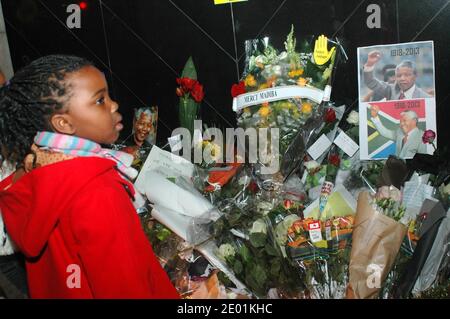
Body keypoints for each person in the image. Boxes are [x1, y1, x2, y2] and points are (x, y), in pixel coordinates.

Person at [0, 55, 179, 298]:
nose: (114, 105)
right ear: (64, 123)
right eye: (99, 100)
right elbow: (126, 288)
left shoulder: (34, 166)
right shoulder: (97, 191)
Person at [363, 50, 431, 101]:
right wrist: (369, 65)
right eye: (399, 76)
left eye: (407, 75)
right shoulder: (390, 90)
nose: (402, 78)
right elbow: (370, 82)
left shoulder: (425, 98)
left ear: (415, 76)